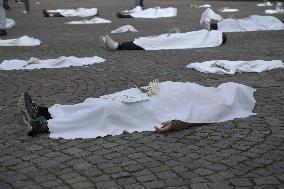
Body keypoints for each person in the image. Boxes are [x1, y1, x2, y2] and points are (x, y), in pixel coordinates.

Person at [18, 81, 255, 139]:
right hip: (149, 94)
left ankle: (46, 125)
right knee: (103, 100)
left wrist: (178, 124)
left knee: (109, 112)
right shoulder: (205, 89)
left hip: (156, 108)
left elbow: (200, 115)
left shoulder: (220, 106)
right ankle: (46, 111)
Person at [100, 30, 227, 51]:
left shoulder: (210, 38)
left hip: (181, 40)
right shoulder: (208, 34)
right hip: (181, 37)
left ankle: (118, 46)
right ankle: (120, 44)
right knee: (155, 39)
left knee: (154, 43)